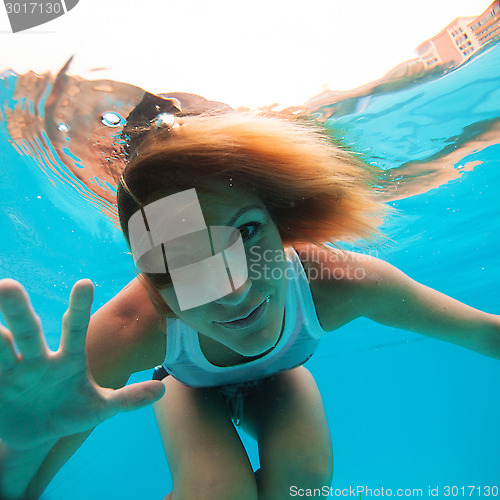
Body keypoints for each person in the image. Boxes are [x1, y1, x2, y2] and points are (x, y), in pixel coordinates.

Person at [0, 92, 499, 500]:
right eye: (177, 262)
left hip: (281, 378)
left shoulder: (337, 279)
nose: (231, 291)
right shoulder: (136, 324)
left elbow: (484, 333)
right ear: (151, 282)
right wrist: (15, 458)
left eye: (246, 231)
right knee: (218, 492)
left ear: (284, 222)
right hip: (184, 384)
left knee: (301, 478)